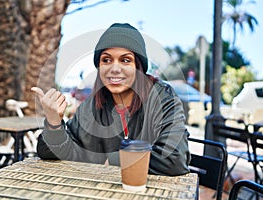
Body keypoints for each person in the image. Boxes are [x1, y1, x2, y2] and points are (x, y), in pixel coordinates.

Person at [31, 23, 190, 176]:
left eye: (125, 60)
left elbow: (174, 159)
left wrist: (112, 160)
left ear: (138, 66)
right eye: (106, 60)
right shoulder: (92, 106)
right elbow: (59, 152)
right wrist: (53, 123)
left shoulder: (163, 97)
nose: (114, 69)